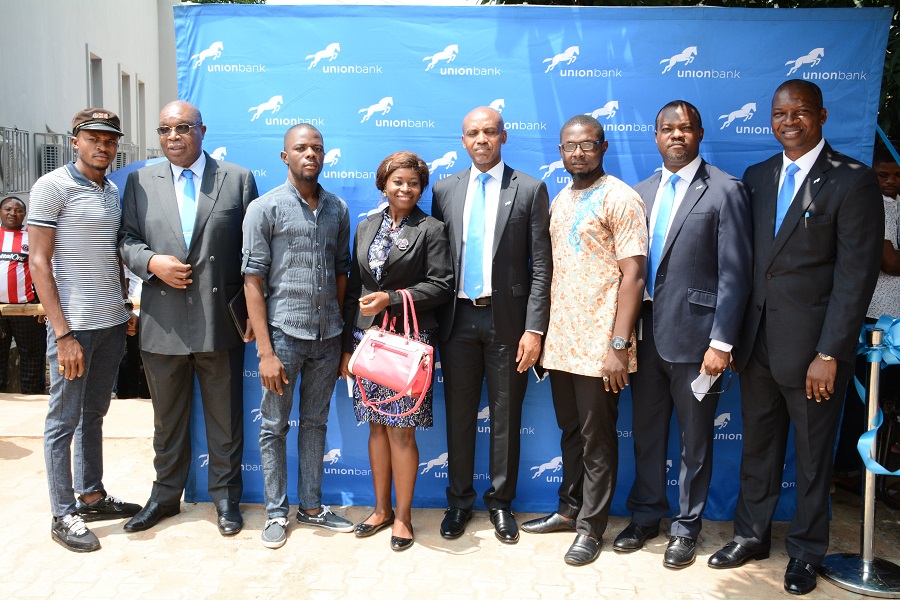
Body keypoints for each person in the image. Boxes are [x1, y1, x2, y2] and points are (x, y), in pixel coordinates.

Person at [708, 80, 883, 596]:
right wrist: (733, 337)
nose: (789, 121)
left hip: (814, 353)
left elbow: (856, 277)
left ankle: (806, 552)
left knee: (811, 458)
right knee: (757, 448)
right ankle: (750, 536)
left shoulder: (853, 181)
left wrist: (829, 352)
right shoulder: (758, 176)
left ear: (822, 116)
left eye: (800, 112)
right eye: (780, 112)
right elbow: (744, 266)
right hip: (757, 344)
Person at [611, 101, 752, 569]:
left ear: (699, 133)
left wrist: (722, 342)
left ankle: (686, 527)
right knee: (647, 434)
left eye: (685, 128)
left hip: (697, 340)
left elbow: (735, 274)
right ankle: (647, 514)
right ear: (655, 136)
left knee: (695, 441)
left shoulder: (725, 189)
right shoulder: (639, 193)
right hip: (644, 336)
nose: (676, 136)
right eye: (667, 129)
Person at [119, 100, 258, 536]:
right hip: (163, 323)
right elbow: (125, 240)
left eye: (182, 128)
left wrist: (256, 312)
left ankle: (225, 499)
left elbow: (254, 253)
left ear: (202, 129)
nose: (173, 137)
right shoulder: (140, 180)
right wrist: (151, 261)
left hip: (221, 322)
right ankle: (164, 497)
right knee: (167, 421)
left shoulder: (236, 179)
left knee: (225, 420)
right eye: (164, 130)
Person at [525, 114, 646, 566]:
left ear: (604, 146)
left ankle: (592, 529)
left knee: (597, 439)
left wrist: (618, 346)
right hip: (562, 342)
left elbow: (634, 276)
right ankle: (568, 509)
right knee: (571, 433)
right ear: (561, 152)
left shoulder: (621, 198)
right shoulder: (560, 198)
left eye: (587, 145)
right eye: (569, 146)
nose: (577, 153)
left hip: (600, 346)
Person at [431, 106, 552, 544]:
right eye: (472, 133)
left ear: (504, 135)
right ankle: (459, 502)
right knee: (459, 418)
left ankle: (500, 503)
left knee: (506, 417)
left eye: (489, 132)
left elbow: (541, 265)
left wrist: (534, 329)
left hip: (509, 323)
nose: (481, 139)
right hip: (458, 318)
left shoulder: (531, 189)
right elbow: (436, 260)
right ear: (463, 141)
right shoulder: (445, 189)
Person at [29, 108, 141, 552]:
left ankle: (91, 494)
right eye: (93, 138)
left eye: (110, 140)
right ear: (75, 141)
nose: (103, 146)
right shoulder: (52, 186)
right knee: (63, 421)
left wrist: (123, 306)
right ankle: (63, 512)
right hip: (73, 329)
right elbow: (39, 261)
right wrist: (62, 334)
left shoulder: (111, 190)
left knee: (94, 414)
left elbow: (113, 255)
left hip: (111, 323)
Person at [243, 124, 354, 550]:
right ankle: (275, 513)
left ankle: (311, 506)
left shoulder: (337, 209)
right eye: (301, 148)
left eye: (317, 148)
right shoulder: (264, 208)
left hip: (328, 339)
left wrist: (342, 338)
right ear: (284, 156)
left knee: (315, 424)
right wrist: (265, 353)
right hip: (283, 337)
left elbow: (342, 273)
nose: (310, 154)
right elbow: (253, 280)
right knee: (273, 426)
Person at [339, 151, 454, 551]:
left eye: (413, 183)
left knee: (401, 432)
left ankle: (403, 518)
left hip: (408, 344)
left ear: (421, 188)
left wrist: (390, 298)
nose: (405, 189)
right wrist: (344, 349)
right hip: (368, 342)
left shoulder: (432, 229)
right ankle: (381, 508)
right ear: (383, 185)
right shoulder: (366, 225)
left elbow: (441, 286)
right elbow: (354, 287)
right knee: (375, 427)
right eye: (398, 181)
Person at [833, 142, 900, 479]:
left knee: (874, 398)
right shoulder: (879, 205)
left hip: (890, 321)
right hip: (874, 321)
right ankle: (849, 467)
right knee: (863, 398)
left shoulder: (894, 204)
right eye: (882, 174)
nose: (890, 181)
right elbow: (890, 261)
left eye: (897, 174)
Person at [0, 196, 47, 394]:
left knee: (32, 356)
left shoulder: (32, 238)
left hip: (27, 308)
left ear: (25, 215)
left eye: (18, 210)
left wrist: (44, 305)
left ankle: (32, 399)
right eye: (8, 209)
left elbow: (46, 270)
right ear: (1, 212)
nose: (12, 213)